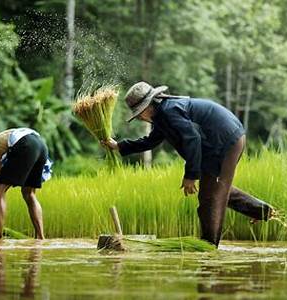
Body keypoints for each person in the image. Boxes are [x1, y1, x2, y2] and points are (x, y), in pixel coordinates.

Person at [102, 81, 274, 247]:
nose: (140, 117)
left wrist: (191, 175)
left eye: (139, 113)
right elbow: (150, 142)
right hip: (218, 142)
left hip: (225, 140)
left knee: (210, 198)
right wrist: (119, 146)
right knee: (214, 189)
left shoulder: (169, 111)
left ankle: (209, 247)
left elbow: (192, 139)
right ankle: (260, 210)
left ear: (147, 106)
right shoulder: (162, 115)